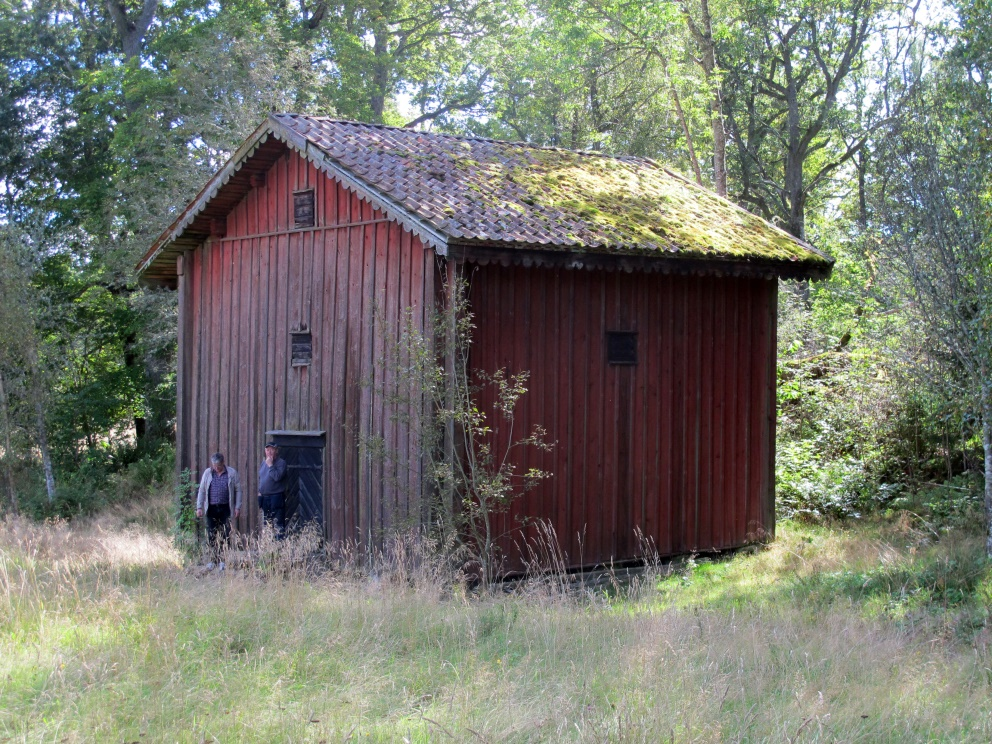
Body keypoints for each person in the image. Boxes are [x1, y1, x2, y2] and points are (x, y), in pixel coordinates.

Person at [196, 453, 242, 570]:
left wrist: (237, 507)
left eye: (219, 465)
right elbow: (201, 490)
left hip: (225, 508)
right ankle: (212, 560)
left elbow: (238, 490)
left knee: (225, 534)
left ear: (223, 463)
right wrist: (199, 507)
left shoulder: (231, 473)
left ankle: (223, 560)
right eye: (214, 465)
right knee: (211, 534)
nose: (216, 468)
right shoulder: (207, 473)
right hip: (211, 508)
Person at [258, 441, 288, 539]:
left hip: (276, 497)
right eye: (267, 450)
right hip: (264, 498)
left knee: (278, 524)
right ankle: (269, 548)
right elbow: (261, 479)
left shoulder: (281, 463)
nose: (269, 452)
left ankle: (279, 548)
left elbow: (277, 477)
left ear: (276, 451)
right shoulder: (263, 463)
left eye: (272, 450)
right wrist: (259, 493)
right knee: (267, 524)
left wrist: (270, 465)